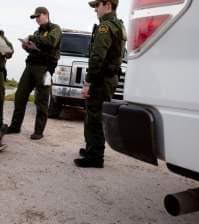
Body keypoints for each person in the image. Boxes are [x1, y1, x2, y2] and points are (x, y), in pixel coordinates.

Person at [74, 0, 126, 168]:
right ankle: (92, 148)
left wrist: (88, 82)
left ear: (108, 5)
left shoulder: (105, 27)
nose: (95, 9)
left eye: (97, 6)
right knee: (93, 114)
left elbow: (97, 58)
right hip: (108, 77)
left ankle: (95, 157)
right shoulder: (118, 24)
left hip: (101, 79)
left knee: (93, 116)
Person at [7, 7, 62, 140]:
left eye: (38, 16)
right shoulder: (37, 32)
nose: (36, 19)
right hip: (31, 66)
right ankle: (15, 126)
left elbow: (50, 42)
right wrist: (27, 47)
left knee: (42, 100)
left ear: (46, 15)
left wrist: (32, 38)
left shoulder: (55, 29)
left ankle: (38, 131)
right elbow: (36, 49)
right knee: (20, 95)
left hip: (45, 69)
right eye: (35, 17)